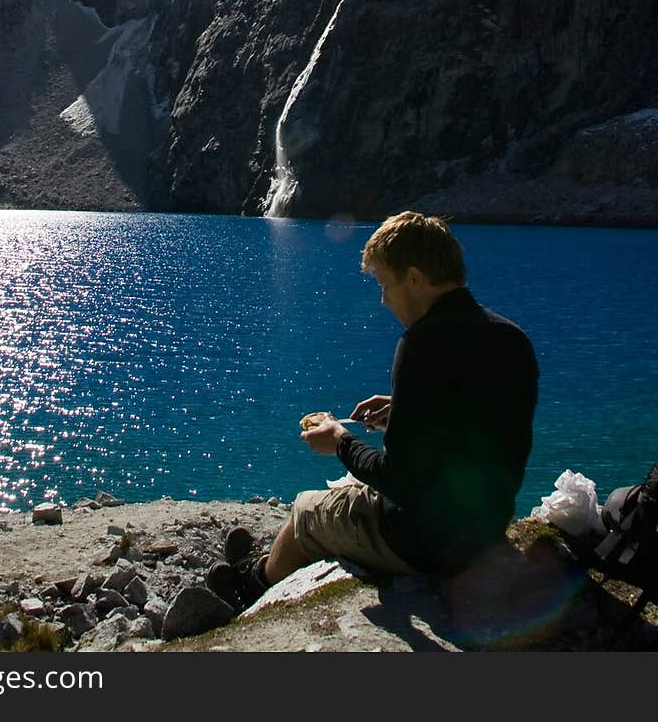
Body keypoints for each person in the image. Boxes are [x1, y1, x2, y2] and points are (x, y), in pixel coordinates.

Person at [206, 210, 539, 610]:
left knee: (306, 510)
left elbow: (399, 480)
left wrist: (339, 441)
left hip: (427, 544)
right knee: (355, 494)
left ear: (414, 278)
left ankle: (251, 582)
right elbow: (481, 420)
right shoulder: (511, 337)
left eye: (384, 283)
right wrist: (403, 408)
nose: (383, 299)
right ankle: (261, 565)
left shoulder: (421, 345)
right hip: (485, 528)